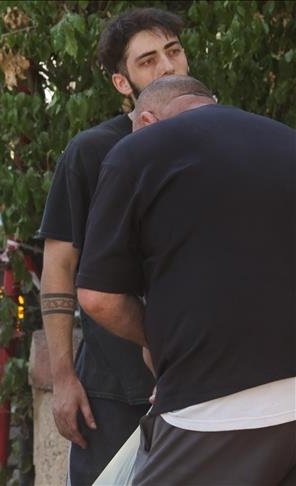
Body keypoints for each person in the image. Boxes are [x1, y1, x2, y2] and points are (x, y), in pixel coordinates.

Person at [77, 75, 296, 484]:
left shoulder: (138, 150)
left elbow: (97, 297)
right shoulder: (287, 140)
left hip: (210, 407)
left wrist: (157, 343)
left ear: (146, 121)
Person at [36, 8, 188, 485]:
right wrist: (63, 377)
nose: (167, 66)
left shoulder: (221, 140)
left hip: (201, 383)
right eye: (148, 60)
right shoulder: (92, 152)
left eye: (173, 51)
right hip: (111, 390)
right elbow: (59, 266)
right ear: (123, 83)